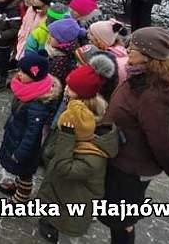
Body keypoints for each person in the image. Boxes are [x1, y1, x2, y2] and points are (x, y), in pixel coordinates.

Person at [100, 27, 169, 244]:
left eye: (134, 47)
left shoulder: (154, 94)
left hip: (131, 169)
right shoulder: (138, 75)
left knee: (121, 220)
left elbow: (161, 140)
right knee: (115, 216)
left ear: (149, 56)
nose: (128, 49)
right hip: (120, 161)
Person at [37, 94, 117, 243]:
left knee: (68, 235)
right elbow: (49, 154)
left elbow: (64, 168)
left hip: (75, 207)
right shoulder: (84, 136)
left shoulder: (93, 157)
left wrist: (67, 138)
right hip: (64, 194)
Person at [0, 50, 61, 204]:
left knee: (25, 172)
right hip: (15, 135)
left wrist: (20, 153)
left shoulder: (37, 104)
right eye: (19, 70)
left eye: (23, 72)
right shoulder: (27, 90)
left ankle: (21, 198)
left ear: (34, 76)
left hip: (24, 145)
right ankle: (18, 185)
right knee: (20, 170)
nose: (19, 74)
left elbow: (32, 134)